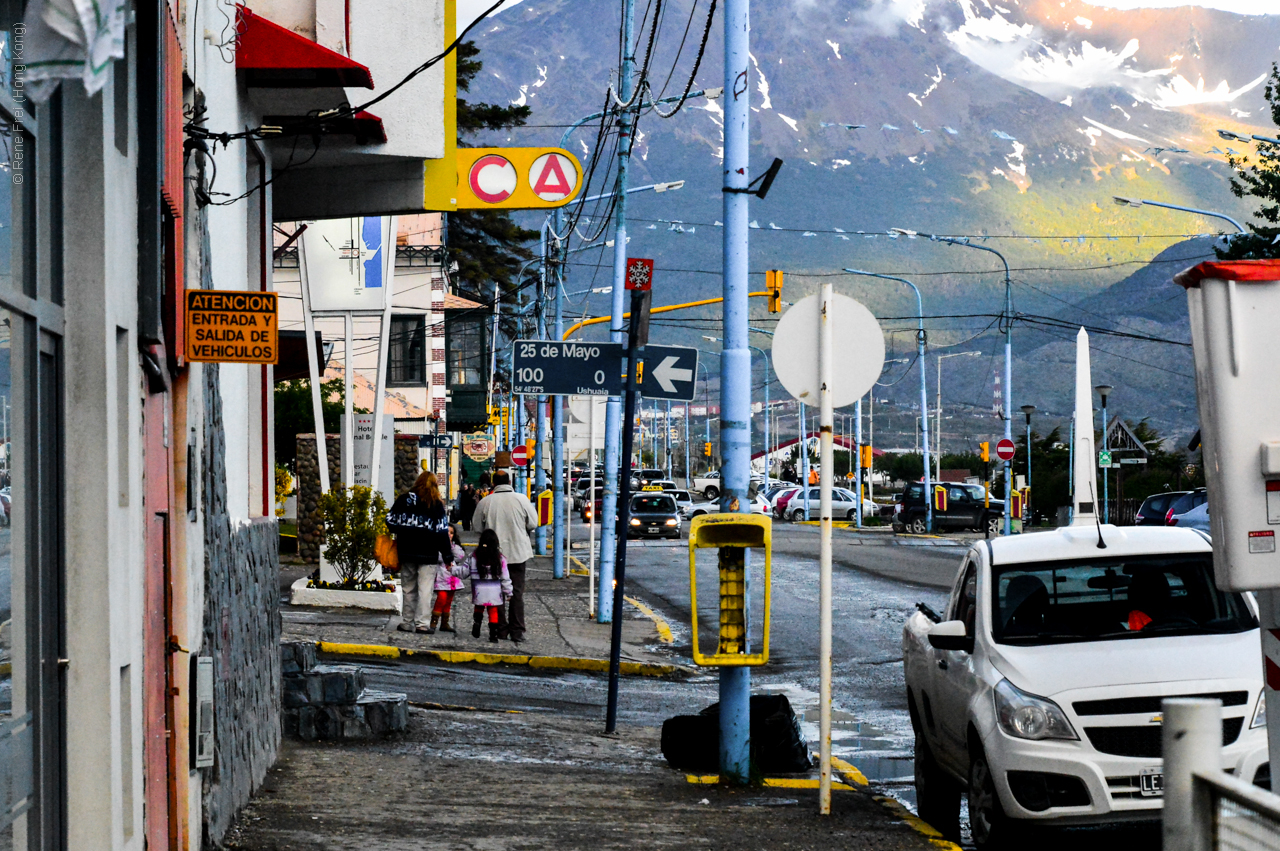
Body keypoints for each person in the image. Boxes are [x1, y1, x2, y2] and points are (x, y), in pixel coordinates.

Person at [474, 470, 538, 643]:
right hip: (518, 553)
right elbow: (533, 523)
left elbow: (477, 527)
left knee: (497, 592)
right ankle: (517, 631)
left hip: (494, 554)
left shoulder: (486, 502)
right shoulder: (522, 499)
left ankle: (500, 629)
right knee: (516, 592)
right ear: (509, 481)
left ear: (494, 483)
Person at [386, 471, 454, 634]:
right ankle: (422, 624)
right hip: (428, 553)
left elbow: (390, 520)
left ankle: (406, 622)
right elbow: (441, 531)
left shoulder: (404, 500)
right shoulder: (436, 504)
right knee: (425, 589)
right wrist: (447, 556)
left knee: (408, 588)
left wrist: (402, 530)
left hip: (407, 551)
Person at [467, 529, 513, 643]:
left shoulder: (474, 556)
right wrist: (508, 591)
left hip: (479, 590)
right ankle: (493, 634)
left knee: (479, 607)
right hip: (494, 591)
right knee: (493, 611)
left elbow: (463, 571)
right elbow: (505, 577)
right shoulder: (500, 558)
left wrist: (452, 570)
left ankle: (477, 623)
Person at [424, 523, 468, 634]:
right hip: (441, 577)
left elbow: (460, 556)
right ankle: (433, 622)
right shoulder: (437, 546)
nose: (449, 534)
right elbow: (439, 558)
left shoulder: (454, 547)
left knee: (448, 600)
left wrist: (451, 546)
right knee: (441, 598)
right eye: (447, 532)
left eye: (452, 533)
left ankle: (445, 622)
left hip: (452, 578)